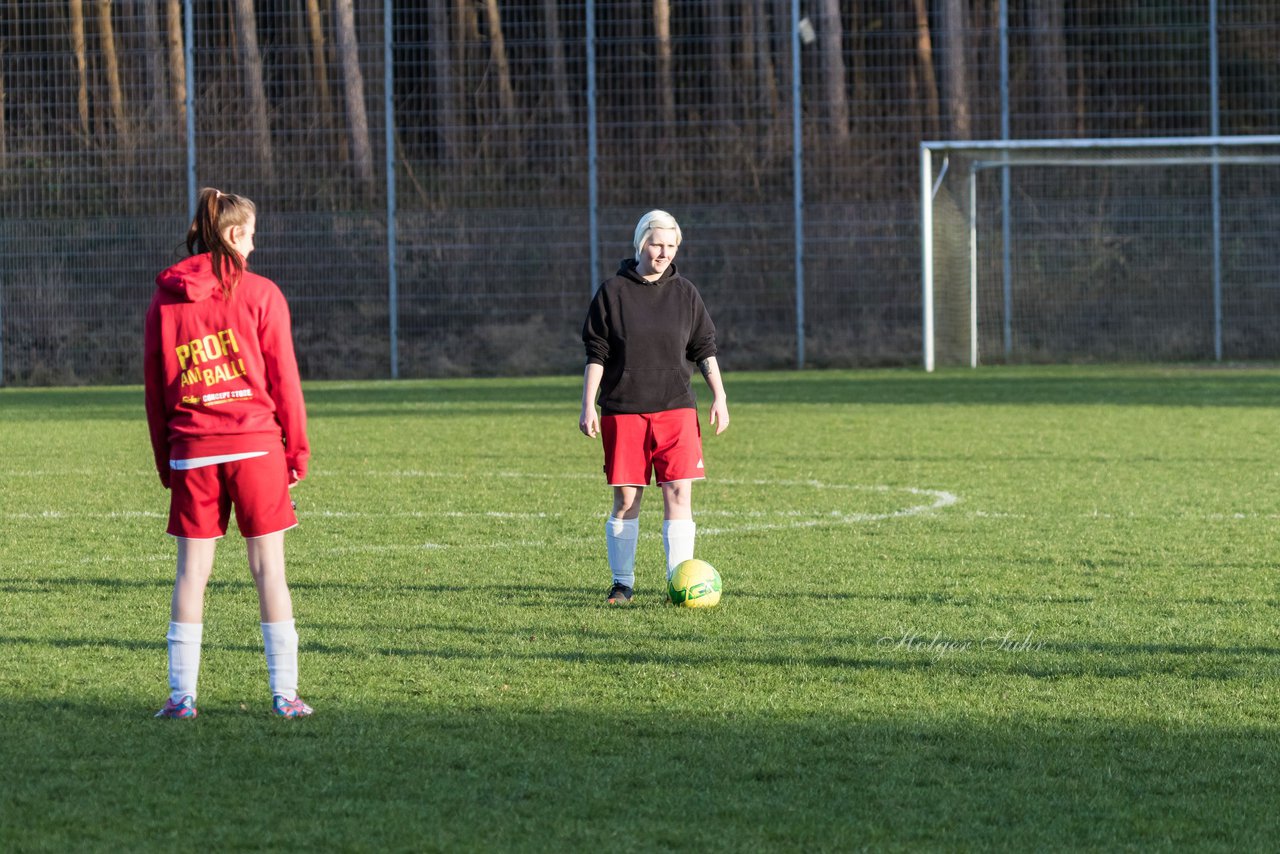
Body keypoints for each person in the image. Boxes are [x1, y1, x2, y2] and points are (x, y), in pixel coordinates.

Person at [144, 187, 313, 718]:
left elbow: (155, 386)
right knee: (269, 570)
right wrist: (297, 450)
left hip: (191, 448)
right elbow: (285, 379)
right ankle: (284, 696)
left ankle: (181, 698)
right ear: (235, 234)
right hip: (258, 447)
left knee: (192, 573)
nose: (255, 247)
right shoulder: (263, 294)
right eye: (253, 236)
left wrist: (164, 458)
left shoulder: (165, 298)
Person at [579, 209, 730, 604]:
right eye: (656, 244)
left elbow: (704, 349)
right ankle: (622, 583)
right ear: (640, 243)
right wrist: (588, 405)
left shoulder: (686, 294)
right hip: (623, 409)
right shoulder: (612, 292)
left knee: (679, 493)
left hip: (676, 409)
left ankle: (677, 583)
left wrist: (720, 395)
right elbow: (597, 352)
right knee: (627, 499)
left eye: (671, 246)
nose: (663, 253)